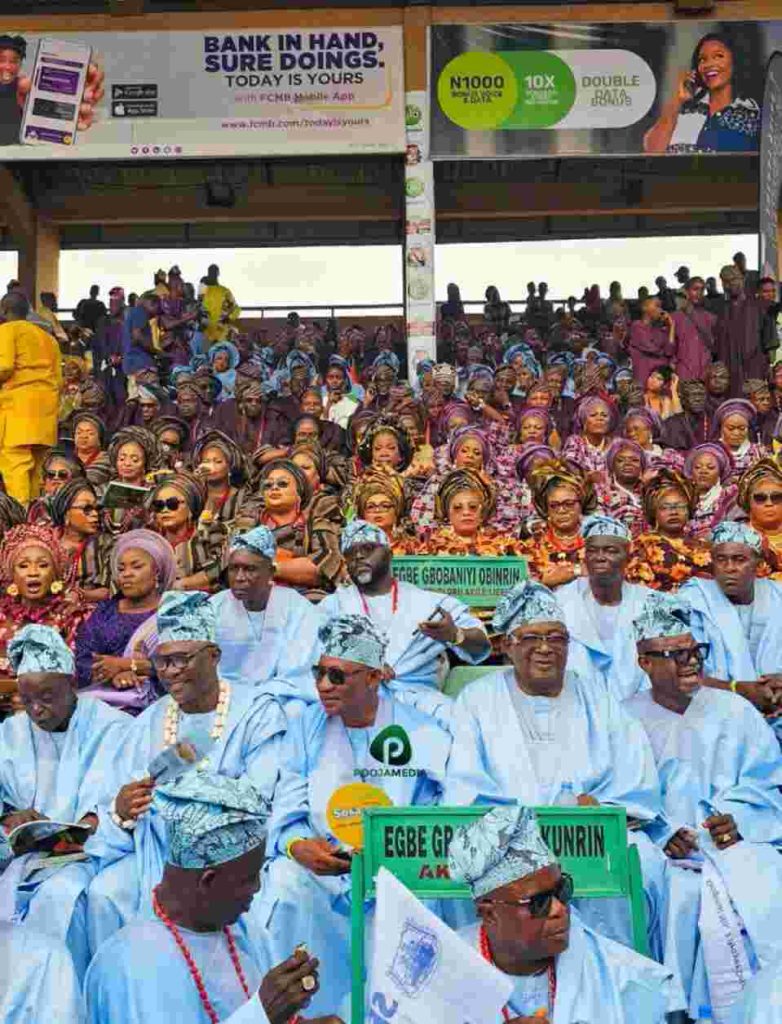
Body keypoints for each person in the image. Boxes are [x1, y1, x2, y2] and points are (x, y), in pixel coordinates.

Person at [443, 581, 666, 955]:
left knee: (641, 861)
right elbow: (464, 785)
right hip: (505, 841)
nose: (545, 648)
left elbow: (633, 774)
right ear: (508, 646)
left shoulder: (599, 696)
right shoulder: (477, 700)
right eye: (531, 638)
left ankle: (609, 987)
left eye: (556, 638)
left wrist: (605, 809)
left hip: (589, 836)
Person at [259, 613, 450, 1016]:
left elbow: (441, 815)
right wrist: (296, 846)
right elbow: (287, 802)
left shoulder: (421, 732)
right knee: (282, 883)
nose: (323, 686)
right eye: (319, 673)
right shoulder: (307, 726)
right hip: (325, 873)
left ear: (374, 678)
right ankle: (302, 1014)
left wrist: (393, 861)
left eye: (338, 676)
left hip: (399, 875)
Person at [84, 590, 287, 955]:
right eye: (162, 662)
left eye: (182, 659)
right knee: (105, 894)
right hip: (156, 855)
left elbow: (260, 798)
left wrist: (182, 800)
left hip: (228, 862)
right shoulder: (150, 720)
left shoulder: (257, 712)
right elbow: (116, 802)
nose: (171, 671)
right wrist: (122, 809)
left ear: (214, 656)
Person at [627, 592, 782, 1021]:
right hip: (660, 854)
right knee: (672, 892)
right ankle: (676, 1010)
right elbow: (614, 797)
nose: (691, 662)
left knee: (766, 884)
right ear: (644, 661)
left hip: (732, 845)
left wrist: (738, 817)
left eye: (695, 651)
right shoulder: (623, 719)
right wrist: (660, 831)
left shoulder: (736, 712)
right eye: (674, 654)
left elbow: (769, 783)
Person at [86, 770, 344, 1024]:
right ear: (207, 881)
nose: (257, 888)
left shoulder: (242, 930)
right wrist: (264, 1013)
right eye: (249, 878)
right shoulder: (132, 965)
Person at [448, 804, 683, 1024]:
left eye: (562, 891)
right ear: (489, 913)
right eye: (539, 902)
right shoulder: (445, 973)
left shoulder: (626, 983)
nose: (559, 909)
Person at [0, 625, 129, 979]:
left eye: (47, 697)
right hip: (22, 858)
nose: (37, 710)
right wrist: (9, 822)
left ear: (72, 684)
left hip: (88, 856)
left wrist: (84, 825)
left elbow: (110, 811)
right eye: (27, 701)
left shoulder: (110, 728)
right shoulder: (10, 733)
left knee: (61, 898)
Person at [319, 520, 489, 725]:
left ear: (389, 555)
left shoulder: (428, 603)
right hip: (355, 703)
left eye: (368, 548)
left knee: (465, 727)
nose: (358, 556)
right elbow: (310, 656)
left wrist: (455, 635)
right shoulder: (332, 606)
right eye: (350, 553)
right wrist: (361, 661)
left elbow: (481, 643)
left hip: (421, 701)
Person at [679, 524, 782, 731]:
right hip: (714, 718)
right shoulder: (693, 599)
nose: (729, 568)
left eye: (739, 559)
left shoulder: (777, 596)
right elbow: (677, 676)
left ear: (758, 564)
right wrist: (739, 689)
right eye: (721, 559)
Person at [210, 527, 321, 717]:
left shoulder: (296, 607)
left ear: (270, 572)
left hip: (279, 698)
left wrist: (258, 698)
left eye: (250, 569)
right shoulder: (214, 607)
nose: (239, 577)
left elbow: (295, 672)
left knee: (296, 711)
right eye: (234, 568)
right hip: (223, 699)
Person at [74, 530, 178, 713]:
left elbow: (182, 663)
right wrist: (111, 675)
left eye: (136, 567)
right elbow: (83, 658)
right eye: (121, 569)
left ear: (157, 572)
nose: (126, 574)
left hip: (160, 708)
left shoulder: (173, 612)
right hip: (105, 706)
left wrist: (129, 666)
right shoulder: (105, 611)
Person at [556, 515, 652, 701]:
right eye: (592, 551)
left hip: (639, 710)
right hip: (575, 707)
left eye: (610, 551)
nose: (600, 557)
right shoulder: (561, 603)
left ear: (629, 558)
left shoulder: (649, 603)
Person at [0, 524, 88, 715]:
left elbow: (75, 675)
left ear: (55, 574)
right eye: (23, 566)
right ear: (12, 576)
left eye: (43, 565)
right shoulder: (1, 616)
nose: (33, 572)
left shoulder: (70, 616)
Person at [643, 32, 760, 154]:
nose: (709, 64)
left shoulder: (752, 113)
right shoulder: (683, 109)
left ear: (735, 61)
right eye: (703, 59)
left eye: (718, 56)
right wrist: (677, 100)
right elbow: (652, 151)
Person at [0, 292, 62, 504]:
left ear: (3, 311)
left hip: (18, 412)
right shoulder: (48, 338)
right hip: (45, 415)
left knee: (15, 465)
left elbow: (4, 367)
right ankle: (37, 517)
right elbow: (58, 380)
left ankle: (20, 520)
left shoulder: (7, 330)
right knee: (37, 471)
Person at [626, 470, 711, 590]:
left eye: (680, 506)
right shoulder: (641, 546)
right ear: (654, 511)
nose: (673, 512)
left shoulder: (703, 545)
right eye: (665, 507)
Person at [520, 459, 595, 588]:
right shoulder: (533, 545)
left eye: (569, 504)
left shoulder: (597, 539)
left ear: (580, 504)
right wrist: (545, 583)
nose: (562, 510)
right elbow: (522, 588)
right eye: (554, 505)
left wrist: (571, 572)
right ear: (546, 509)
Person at [149, 472, 225, 591]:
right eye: (159, 505)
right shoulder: (149, 540)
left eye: (172, 504)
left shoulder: (210, 532)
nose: (164, 510)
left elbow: (219, 570)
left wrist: (185, 584)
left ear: (191, 506)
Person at [49, 477, 111, 602]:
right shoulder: (47, 542)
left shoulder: (106, 543)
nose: (95, 514)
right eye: (87, 509)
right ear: (66, 514)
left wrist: (81, 595)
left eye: (97, 509)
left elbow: (108, 591)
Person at [716, 264, 771, 395]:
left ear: (742, 280)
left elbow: (769, 342)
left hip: (754, 368)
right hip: (730, 369)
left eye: (733, 279)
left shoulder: (759, 306)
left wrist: (766, 367)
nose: (730, 284)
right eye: (725, 281)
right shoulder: (722, 310)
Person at [683, 442, 738, 539]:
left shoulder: (729, 497)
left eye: (710, 467)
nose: (703, 471)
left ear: (720, 472)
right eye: (697, 467)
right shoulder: (684, 497)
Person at [561, 396, 618, 479]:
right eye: (593, 415)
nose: (599, 418)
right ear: (584, 421)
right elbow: (570, 466)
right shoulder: (575, 442)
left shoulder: (616, 445)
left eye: (604, 415)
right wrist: (588, 477)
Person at [737, 458, 782, 564]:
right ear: (748, 502)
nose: (769, 503)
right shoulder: (734, 537)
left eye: (776, 497)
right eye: (760, 498)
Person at [671, 277, 715, 380]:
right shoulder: (675, 317)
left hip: (704, 370)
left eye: (702, 290)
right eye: (695, 289)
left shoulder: (710, 317)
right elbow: (670, 347)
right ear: (686, 291)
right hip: (683, 370)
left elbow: (713, 344)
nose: (699, 293)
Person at [711, 397, 766, 480]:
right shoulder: (712, 452)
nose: (736, 433)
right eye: (730, 428)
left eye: (742, 428)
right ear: (721, 428)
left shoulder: (759, 452)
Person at [628, 297, 676, 387]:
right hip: (644, 379)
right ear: (644, 307)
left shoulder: (660, 330)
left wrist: (671, 327)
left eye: (661, 307)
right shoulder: (637, 327)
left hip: (659, 382)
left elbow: (669, 351)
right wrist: (665, 358)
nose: (660, 310)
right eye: (657, 306)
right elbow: (653, 349)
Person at [121, 293, 159, 400]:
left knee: (136, 401)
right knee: (150, 401)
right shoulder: (140, 312)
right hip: (142, 365)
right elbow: (137, 336)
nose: (157, 313)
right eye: (157, 308)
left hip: (132, 365)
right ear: (151, 304)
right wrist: (157, 352)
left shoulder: (131, 314)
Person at [661, 380, 710, 450]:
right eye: (693, 395)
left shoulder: (713, 422)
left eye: (701, 395)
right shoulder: (671, 424)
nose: (698, 399)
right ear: (683, 399)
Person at [200, 265, 241, 347]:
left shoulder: (225, 291)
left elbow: (236, 308)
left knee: (221, 356)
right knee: (206, 356)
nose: (212, 274)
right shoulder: (202, 291)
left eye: (214, 272)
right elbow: (198, 307)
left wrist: (229, 318)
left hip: (221, 333)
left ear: (218, 273)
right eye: (210, 272)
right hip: (206, 333)